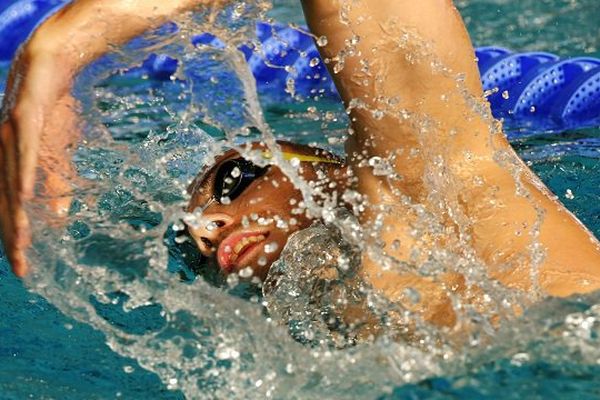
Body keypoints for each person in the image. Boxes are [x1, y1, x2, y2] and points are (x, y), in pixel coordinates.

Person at [2, 0, 600, 328]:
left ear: (324, 166)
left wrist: (69, 37)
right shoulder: (324, 347)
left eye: (233, 181)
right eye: (187, 246)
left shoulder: (444, 192)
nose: (204, 230)